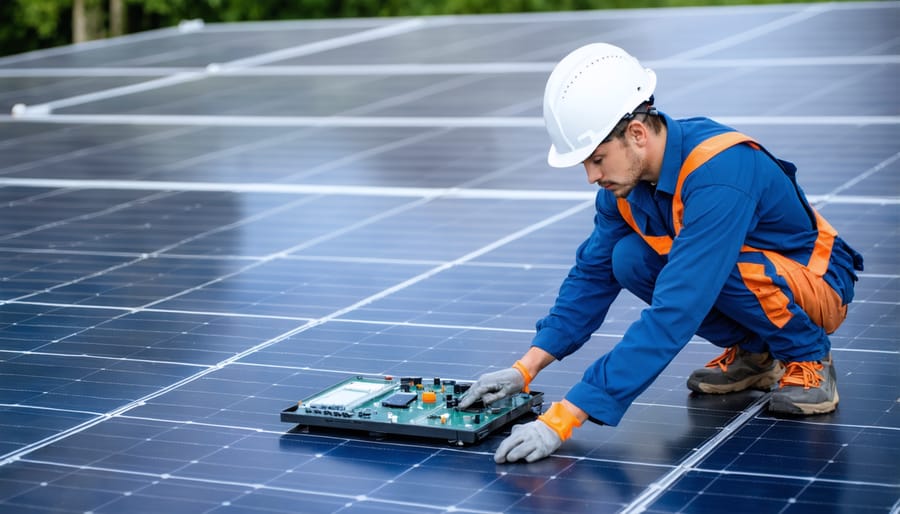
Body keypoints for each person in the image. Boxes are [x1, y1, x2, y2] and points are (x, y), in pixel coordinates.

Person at [458, 43, 864, 464]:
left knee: (705, 270)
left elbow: (678, 307)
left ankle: (807, 355)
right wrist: (525, 369)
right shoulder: (626, 187)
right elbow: (591, 277)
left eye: (597, 159)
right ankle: (756, 354)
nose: (591, 176)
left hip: (816, 283)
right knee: (628, 258)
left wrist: (568, 415)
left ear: (636, 133)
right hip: (749, 276)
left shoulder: (719, 174)